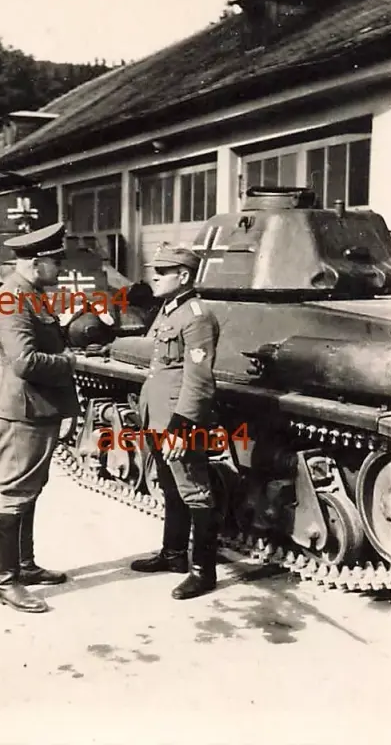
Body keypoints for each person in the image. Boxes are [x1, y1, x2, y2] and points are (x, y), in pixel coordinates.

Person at [0, 222, 80, 614]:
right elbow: (25, 361)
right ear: (37, 263)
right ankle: (7, 582)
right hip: (22, 410)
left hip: (37, 408)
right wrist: (69, 362)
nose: (60, 269)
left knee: (31, 489)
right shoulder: (12, 299)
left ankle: (24, 566)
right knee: (15, 493)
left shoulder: (32, 294)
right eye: (55, 262)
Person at [131, 245, 221, 600]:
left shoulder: (196, 316)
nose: (154, 275)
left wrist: (182, 428)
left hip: (180, 420)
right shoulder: (170, 311)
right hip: (159, 416)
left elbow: (199, 380)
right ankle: (173, 555)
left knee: (195, 492)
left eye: (163, 271)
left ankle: (203, 571)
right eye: (155, 269)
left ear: (183, 277)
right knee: (171, 489)